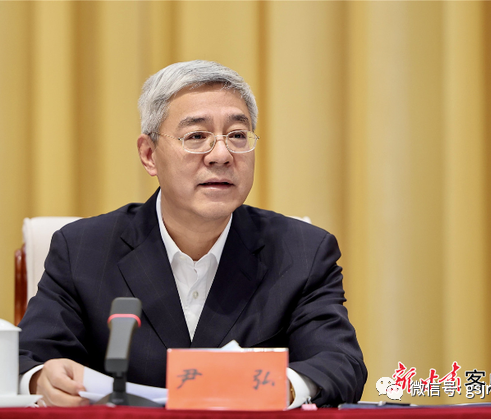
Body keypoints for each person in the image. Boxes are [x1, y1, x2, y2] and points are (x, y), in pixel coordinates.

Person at [18, 60, 367, 408]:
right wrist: (40, 380)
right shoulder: (83, 249)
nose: (221, 155)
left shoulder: (302, 252)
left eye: (237, 136)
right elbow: (27, 358)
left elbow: (340, 364)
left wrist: (280, 387)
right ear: (149, 154)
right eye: (197, 136)